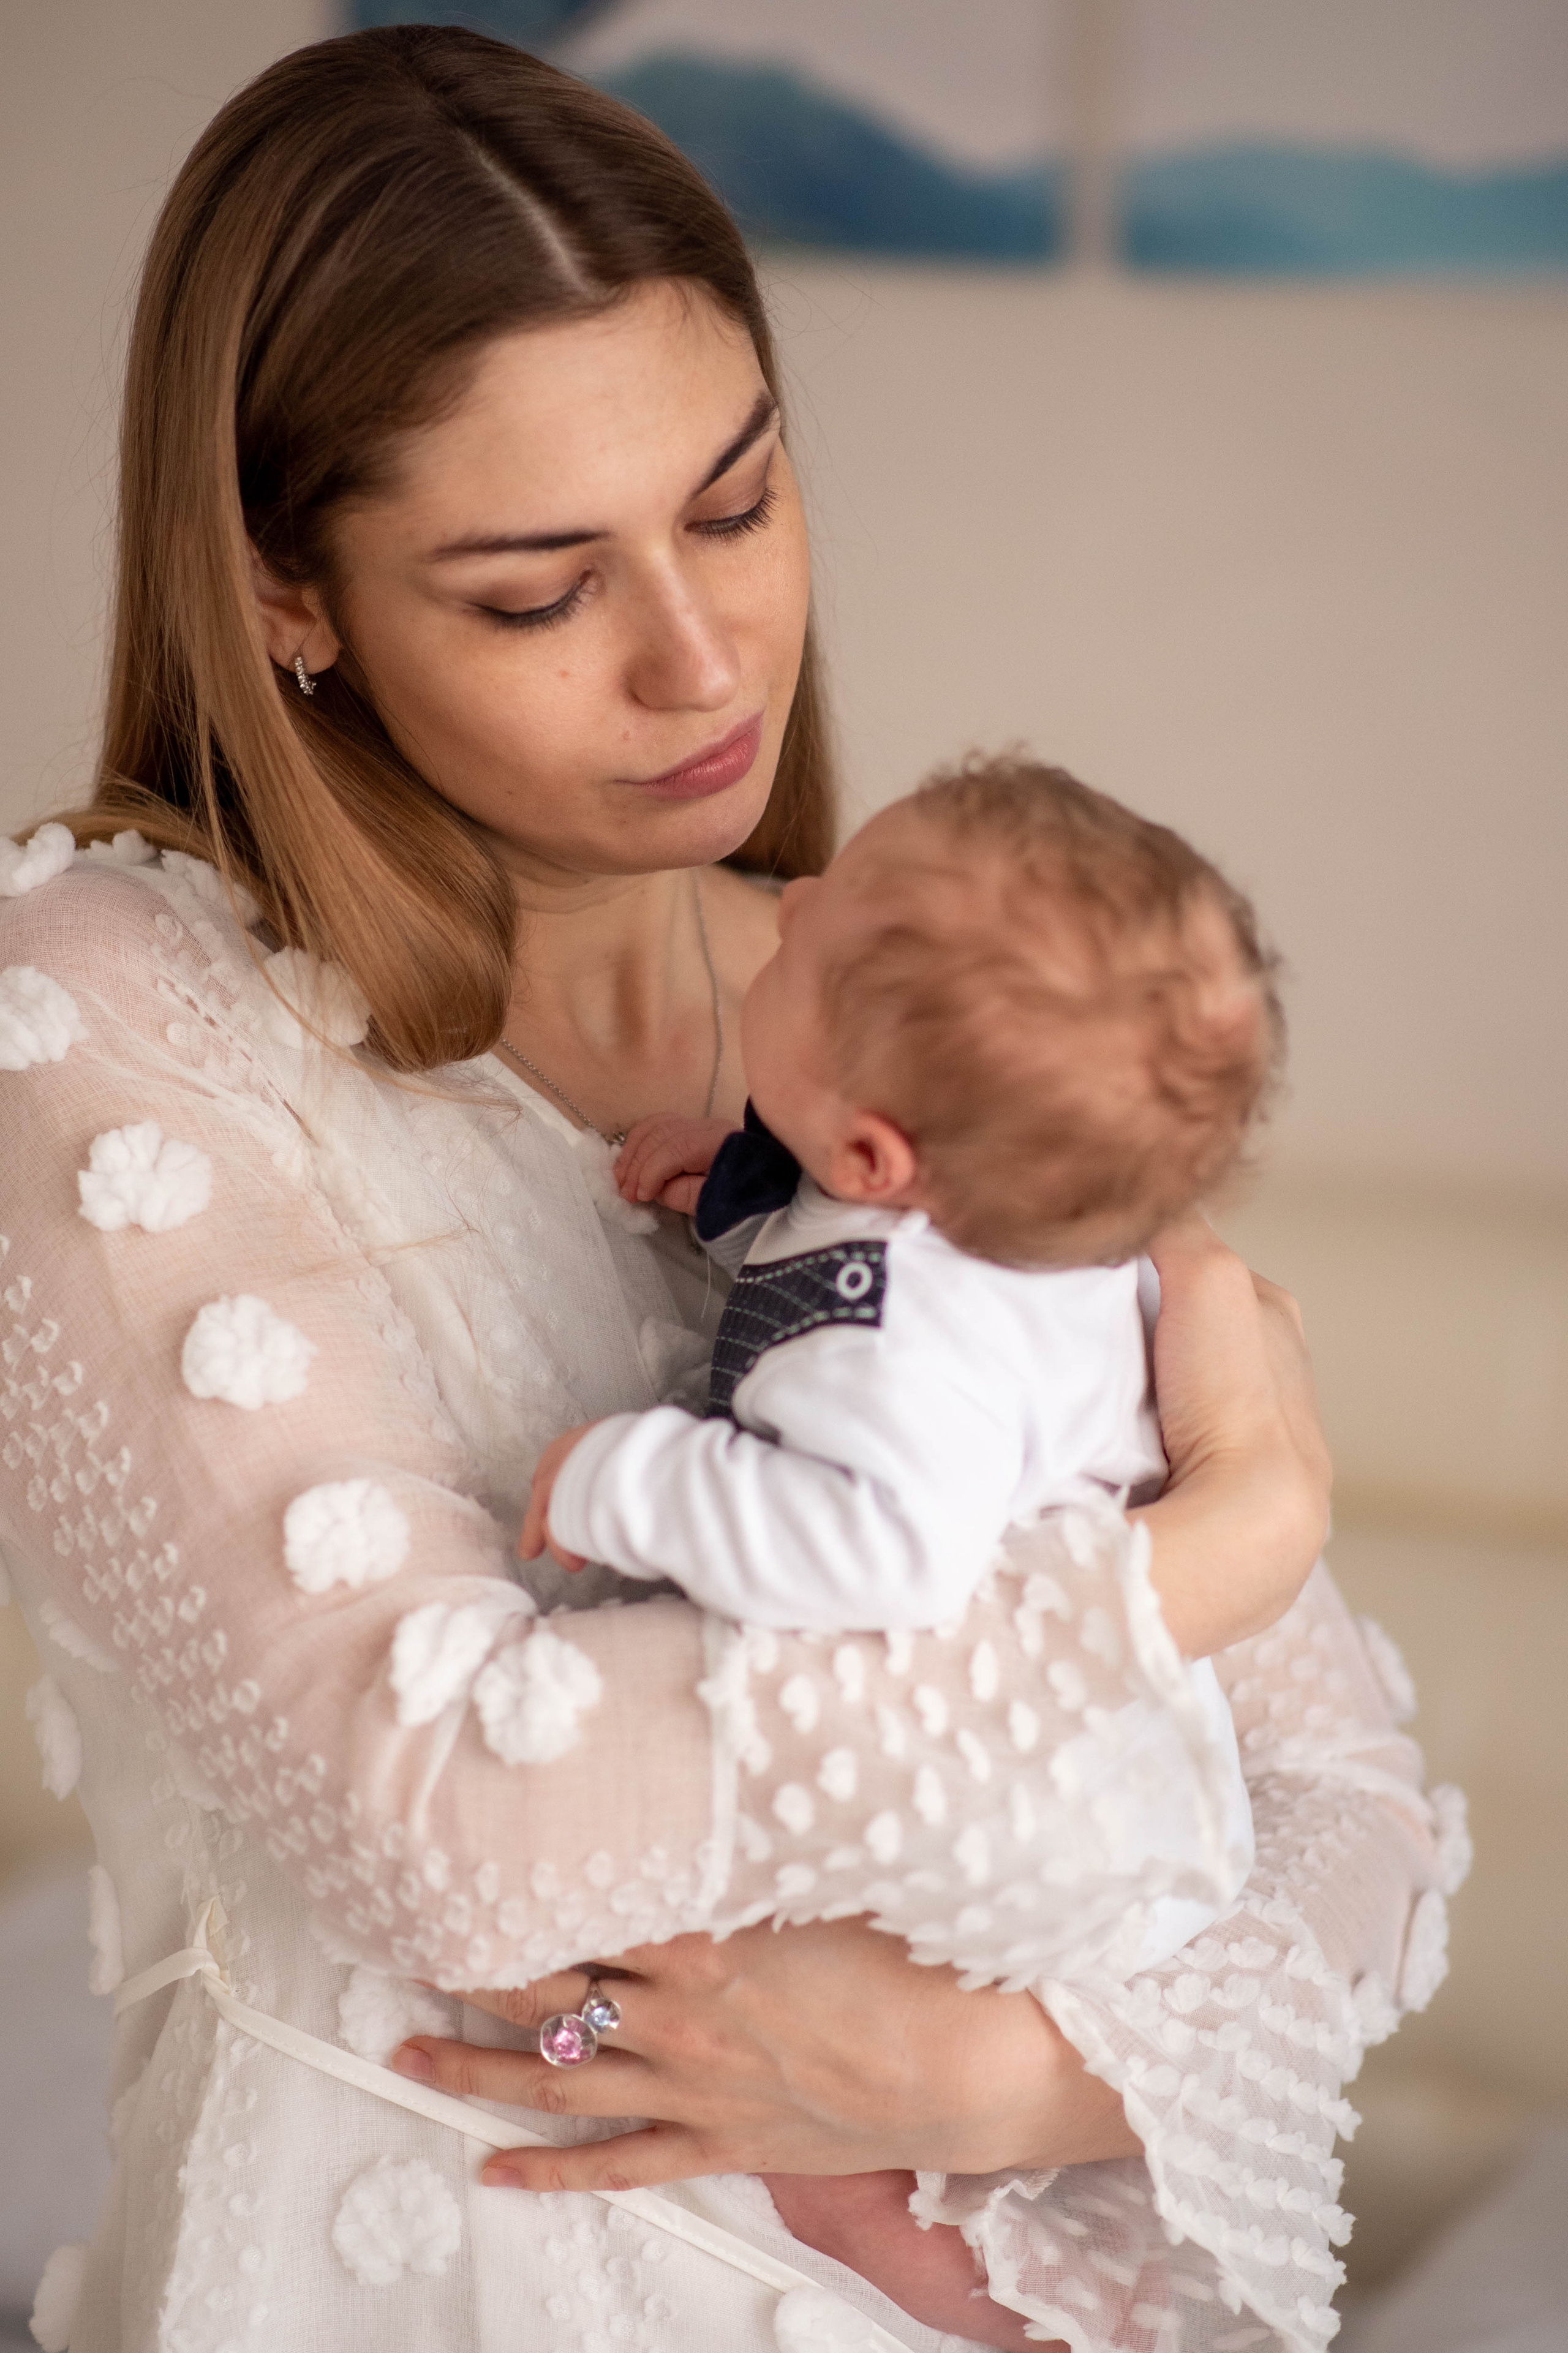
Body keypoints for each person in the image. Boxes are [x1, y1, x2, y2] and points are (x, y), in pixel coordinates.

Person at [0, 26, 1463, 2353]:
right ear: (289, 595)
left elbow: (1349, 1825)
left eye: (739, 499)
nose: (704, 660)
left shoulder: (920, 1008)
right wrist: (1217, 1541)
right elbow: (445, 1862)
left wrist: (998, 2069)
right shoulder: (103, 1013)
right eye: (533, 588)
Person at [519, 753, 1293, 2333]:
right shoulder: (1029, 1211)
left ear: (876, 1158)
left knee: (819, 2152)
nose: (788, 905)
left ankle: (1006, 2320)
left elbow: (882, 1548)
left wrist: (626, 1479)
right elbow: (834, 1240)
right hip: (1123, 1773)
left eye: (817, 942)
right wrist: (729, 1184)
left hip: (1011, 1802)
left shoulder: (892, 1330)